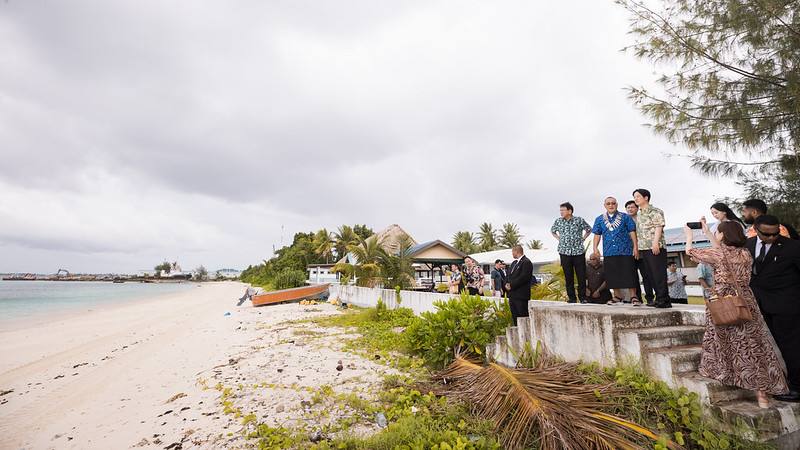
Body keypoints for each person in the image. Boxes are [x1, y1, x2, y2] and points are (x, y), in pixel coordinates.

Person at [685, 219, 788, 409]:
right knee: (752, 344)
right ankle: (762, 395)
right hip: (745, 299)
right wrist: (708, 233)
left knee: (723, 339)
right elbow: (723, 252)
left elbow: (691, 253)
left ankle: (726, 374)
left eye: (718, 233)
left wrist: (690, 236)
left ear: (723, 235)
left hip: (723, 300)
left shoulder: (718, 254)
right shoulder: (746, 253)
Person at [748, 215, 800, 402]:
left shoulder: (792, 247)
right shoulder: (748, 245)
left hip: (788, 305)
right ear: (756, 229)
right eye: (766, 234)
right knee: (773, 347)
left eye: (775, 233)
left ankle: (796, 387)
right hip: (760, 305)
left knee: (792, 347)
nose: (771, 238)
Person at [591, 197, 640, 305]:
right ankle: (617, 296)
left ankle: (633, 296)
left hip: (626, 250)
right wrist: (595, 248)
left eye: (613, 203)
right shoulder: (599, 219)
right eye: (608, 203)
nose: (611, 205)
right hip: (609, 251)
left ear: (616, 204)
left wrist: (635, 247)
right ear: (605, 205)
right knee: (612, 275)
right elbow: (597, 234)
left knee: (629, 273)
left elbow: (632, 231)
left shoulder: (625, 217)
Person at [632, 188, 671, 308]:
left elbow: (659, 226)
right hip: (644, 248)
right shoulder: (639, 214)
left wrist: (655, 243)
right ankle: (658, 298)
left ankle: (664, 300)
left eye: (638, 196)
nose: (635, 199)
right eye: (634, 197)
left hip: (655, 247)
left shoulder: (655, 211)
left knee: (658, 274)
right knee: (650, 275)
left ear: (646, 198)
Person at [551, 202, 592, 303]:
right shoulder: (558, 221)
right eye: (560, 210)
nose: (561, 212)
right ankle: (572, 298)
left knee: (581, 275)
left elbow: (589, 229)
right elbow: (552, 231)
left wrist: (583, 239)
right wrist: (559, 239)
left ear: (570, 211)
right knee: (568, 276)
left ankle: (582, 297)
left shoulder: (579, 220)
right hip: (564, 252)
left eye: (563, 210)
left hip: (578, 252)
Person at [626, 200, 654, 304]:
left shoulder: (642, 219)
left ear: (637, 208)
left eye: (632, 207)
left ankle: (650, 298)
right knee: (633, 277)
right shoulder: (624, 220)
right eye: (628, 207)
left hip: (642, 252)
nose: (630, 209)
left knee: (646, 276)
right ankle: (637, 298)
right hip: (629, 253)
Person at [504, 245, 533, 325]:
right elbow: (508, 275)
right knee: (515, 317)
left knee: (523, 317)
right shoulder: (514, 263)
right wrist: (506, 284)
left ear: (516, 251)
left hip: (521, 295)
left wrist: (512, 285)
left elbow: (524, 277)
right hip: (512, 295)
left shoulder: (526, 262)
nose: (512, 254)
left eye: (512, 252)